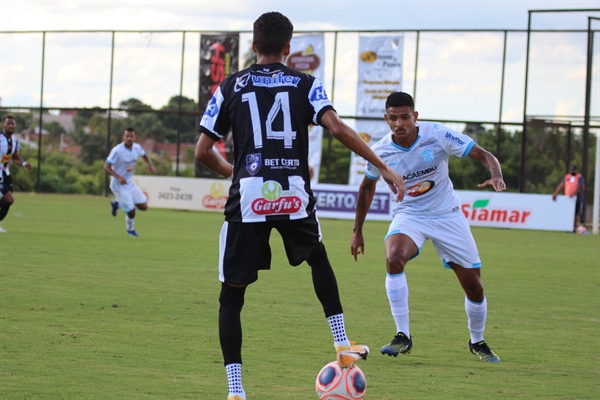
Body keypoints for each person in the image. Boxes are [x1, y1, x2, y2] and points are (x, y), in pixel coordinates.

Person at [195, 12, 405, 400]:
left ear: (254, 45)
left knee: (232, 296)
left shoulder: (229, 86)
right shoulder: (305, 83)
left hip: (249, 199)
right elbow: (340, 129)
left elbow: (203, 151)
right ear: (288, 49)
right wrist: (384, 168)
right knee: (318, 258)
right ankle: (341, 343)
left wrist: (235, 172)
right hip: (292, 194)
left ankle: (236, 390)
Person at [350, 92, 506, 363]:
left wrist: (495, 173)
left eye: (405, 117)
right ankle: (403, 336)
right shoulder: (380, 151)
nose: (400, 123)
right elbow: (367, 187)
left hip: (448, 215)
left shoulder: (438, 135)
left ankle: (477, 340)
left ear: (415, 117)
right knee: (393, 257)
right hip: (410, 215)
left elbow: (482, 154)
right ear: (387, 119)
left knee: (474, 287)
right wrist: (357, 231)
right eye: (394, 118)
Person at [103, 128, 155, 237]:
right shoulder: (117, 150)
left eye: (131, 136)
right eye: (127, 136)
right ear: (123, 137)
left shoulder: (137, 148)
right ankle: (130, 230)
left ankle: (117, 204)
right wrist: (118, 177)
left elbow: (144, 155)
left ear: (134, 138)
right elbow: (106, 167)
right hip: (118, 185)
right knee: (131, 211)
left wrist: (150, 165)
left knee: (144, 206)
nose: (129, 138)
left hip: (130, 182)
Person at [0, 115, 33, 233]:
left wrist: (24, 164)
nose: (10, 125)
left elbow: (15, 158)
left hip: (5, 174)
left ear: (15, 126)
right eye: (8, 123)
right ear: (3, 125)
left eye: (12, 124)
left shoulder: (15, 142)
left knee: (7, 201)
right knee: (9, 199)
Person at [552, 165, 585, 232]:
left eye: (574, 170)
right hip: (568, 198)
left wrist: (573, 194)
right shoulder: (567, 177)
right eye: (571, 170)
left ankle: (574, 228)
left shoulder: (579, 177)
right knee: (569, 214)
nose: (572, 171)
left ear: (576, 170)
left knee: (576, 213)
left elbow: (579, 186)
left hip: (576, 197)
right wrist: (556, 193)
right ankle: (568, 227)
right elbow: (562, 185)